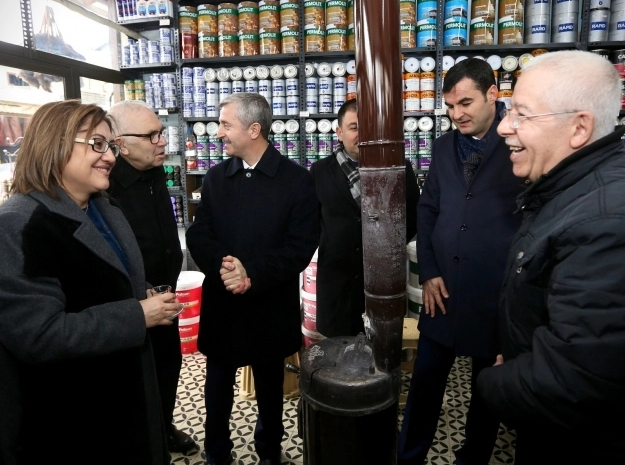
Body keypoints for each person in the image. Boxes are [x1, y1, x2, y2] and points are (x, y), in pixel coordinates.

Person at [476, 50, 625, 464]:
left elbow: (572, 380)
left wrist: (494, 380)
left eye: (522, 114)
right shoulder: (577, 191)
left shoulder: (616, 221)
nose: (504, 127)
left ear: (579, 128)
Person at [0, 100, 181, 465]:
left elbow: (98, 282)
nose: (110, 157)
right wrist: (136, 314)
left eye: (111, 146)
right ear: (55, 145)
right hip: (71, 423)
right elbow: (38, 334)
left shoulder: (103, 208)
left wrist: (140, 291)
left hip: (122, 402)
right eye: (97, 144)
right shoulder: (18, 225)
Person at [398, 58, 524, 465]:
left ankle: (473, 458)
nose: (457, 115)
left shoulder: (521, 142)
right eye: (450, 106)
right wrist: (430, 271)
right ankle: (409, 456)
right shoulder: (443, 146)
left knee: (485, 390)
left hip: (494, 295)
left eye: (466, 103)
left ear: (493, 94)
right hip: (444, 292)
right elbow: (429, 210)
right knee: (425, 384)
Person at [186, 93, 319, 465]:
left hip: (268, 304)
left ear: (254, 129)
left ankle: (269, 451)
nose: (219, 134)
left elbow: (300, 246)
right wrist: (225, 268)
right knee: (217, 387)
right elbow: (199, 234)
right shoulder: (216, 177)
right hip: (223, 303)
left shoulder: (296, 181)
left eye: (226, 125)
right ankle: (216, 452)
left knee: (270, 387)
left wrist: (252, 274)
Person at [107, 100, 197, 455]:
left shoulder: (156, 172)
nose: (162, 142)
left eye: (161, 132)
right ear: (121, 143)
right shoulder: (107, 185)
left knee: (168, 366)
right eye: (151, 135)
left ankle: (163, 426)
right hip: (132, 305)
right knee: (137, 378)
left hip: (165, 297)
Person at [311, 98, 420, 338]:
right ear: (339, 133)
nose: (363, 134)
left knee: (382, 353)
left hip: (384, 282)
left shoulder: (399, 167)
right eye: (354, 127)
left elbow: (412, 217)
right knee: (339, 358)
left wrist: (384, 249)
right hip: (337, 286)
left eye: (369, 128)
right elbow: (310, 223)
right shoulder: (319, 172)